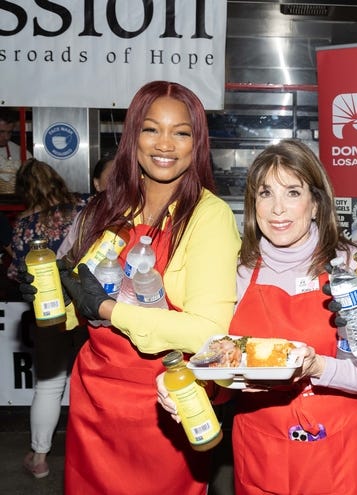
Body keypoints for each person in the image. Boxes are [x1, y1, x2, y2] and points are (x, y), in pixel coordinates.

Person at [20, 81, 241, 494]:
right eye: (151, 129)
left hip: (166, 400)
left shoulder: (208, 216)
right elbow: (81, 303)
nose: (165, 144)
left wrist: (107, 310)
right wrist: (53, 302)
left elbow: (209, 331)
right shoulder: (107, 208)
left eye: (181, 132)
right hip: (96, 401)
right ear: (132, 135)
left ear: (197, 143)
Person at [157, 139, 357, 494]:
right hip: (260, 447)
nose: (277, 209)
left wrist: (318, 368)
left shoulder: (349, 267)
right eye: (265, 194)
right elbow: (221, 374)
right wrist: (194, 388)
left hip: (335, 453)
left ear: (316, 203)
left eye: (293, 192)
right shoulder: (238, 271)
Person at [6, 158, 89, 479]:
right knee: (90, 382)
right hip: (86, 307)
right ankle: (89, 454)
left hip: (49, 313)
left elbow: (16, 273)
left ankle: (39, 457)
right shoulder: (84, 204)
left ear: (25, 191)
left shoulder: (25, 225)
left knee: (49, 385)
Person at [0, 108, 32, 194]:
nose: (6, 137)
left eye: (9, 132)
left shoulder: (21, 152)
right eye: (1, 132)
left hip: (13, 202)